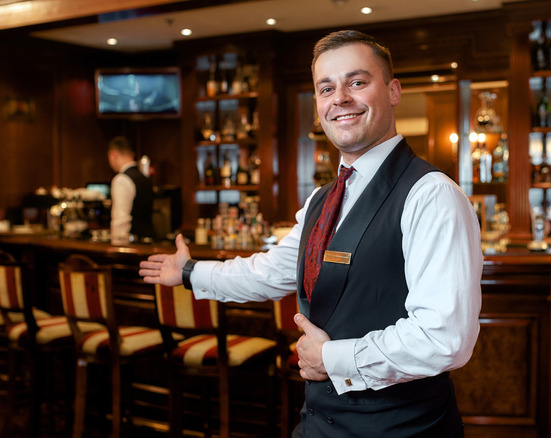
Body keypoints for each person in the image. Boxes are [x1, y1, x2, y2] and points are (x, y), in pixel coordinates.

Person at [139, 30, 482, 437]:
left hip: (403, 428)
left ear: (392, 91)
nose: (340, 98)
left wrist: (331, 358)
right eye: (326, 88)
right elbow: (271, 271)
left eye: (357, 82)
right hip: (318, 422)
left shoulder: (432, 194)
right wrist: (191, 272)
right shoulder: (324, 197)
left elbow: (444, 338)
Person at [107, 135, 155, 243]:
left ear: (113, 154)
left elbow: (121, 220)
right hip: (149, 240)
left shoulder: (121, 179)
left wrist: (117, 248)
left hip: (132, 244)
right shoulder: (145, 177)